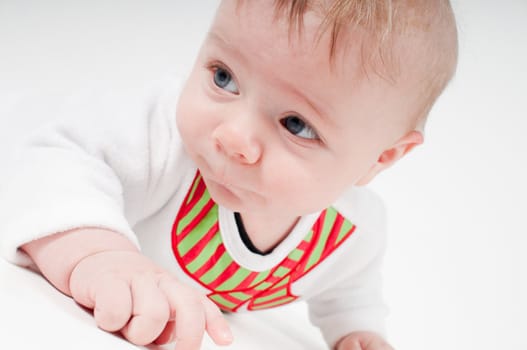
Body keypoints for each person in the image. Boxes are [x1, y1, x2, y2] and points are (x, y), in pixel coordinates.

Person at [0, 0, 458, 349]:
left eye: (296, 124)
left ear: (382, 157)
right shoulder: (160, 137)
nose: (234, 136)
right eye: (224, 77)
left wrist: (357, 330)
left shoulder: (350, 232)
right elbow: (50, 158)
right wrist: (97, 254)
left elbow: (349, 288)